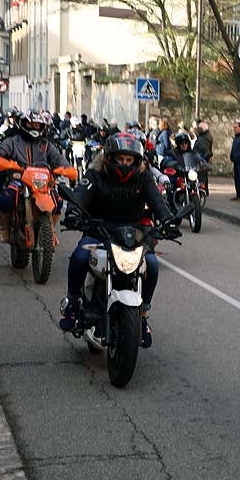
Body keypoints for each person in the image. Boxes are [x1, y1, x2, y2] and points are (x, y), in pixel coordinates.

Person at [57, 133, 176, 349]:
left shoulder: (144, 178)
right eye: (120, 159)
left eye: (129, 160)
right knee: (80, 257)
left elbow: (157, 201)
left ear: (137, 161)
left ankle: (142, 314)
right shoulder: (96, 174)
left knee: (152, 265)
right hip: (98, 230)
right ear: (110, 157)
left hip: (134, 234)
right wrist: (74, 211)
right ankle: (72, 304)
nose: (124, 164)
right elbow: (82, 193)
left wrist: (167, 220)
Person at [0, 110, 78, 243]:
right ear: (24, 123)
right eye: (32, 124)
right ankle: (4, 228)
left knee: (58, 201)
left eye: (38, 125)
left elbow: (60, 160)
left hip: (42, 183)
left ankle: (50, 229)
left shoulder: (47, 145)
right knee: (6, 198)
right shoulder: (13, 141)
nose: (35, 127)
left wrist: (68, 170)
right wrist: (5, 163)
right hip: (19, 180)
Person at [192, 120, 213, 195]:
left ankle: (202, 191)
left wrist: (204, 159)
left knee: (201, 177)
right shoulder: (205, 137)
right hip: (201, 160)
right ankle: (203, 191)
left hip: (200, 161)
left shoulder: (203, 139)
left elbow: (206, 151)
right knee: (203, 177)